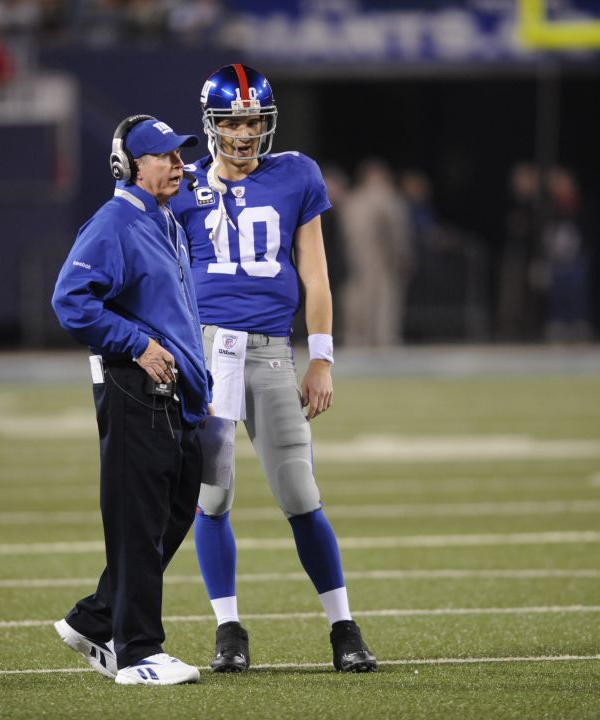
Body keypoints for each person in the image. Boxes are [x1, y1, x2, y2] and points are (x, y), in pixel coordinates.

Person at [170, 64, 378, 673]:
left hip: (268, 350)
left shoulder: (296, 174)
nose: (243, 132)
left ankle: (343, 627)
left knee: (300, 492)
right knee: (212, 497)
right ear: (210, 124)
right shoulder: (179, 185)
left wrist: (321, 356)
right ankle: (228, 629)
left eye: (253, 120)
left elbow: (315, 272)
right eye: (232, 120)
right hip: (206, 352)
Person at [50, 114, 211, 686]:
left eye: (178, 154)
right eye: (164, 155)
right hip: (134, 387)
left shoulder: (163, 219)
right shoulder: (115, 221)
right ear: (130, 165)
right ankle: (139, 652)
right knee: (139, 522)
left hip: (175, 395)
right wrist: (136, 343)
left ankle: (94, 619)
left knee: (172, 511)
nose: (177, 163)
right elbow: (71, 300)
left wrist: (199, 384)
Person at [339, 158, 415, 347]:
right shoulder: (387, 197)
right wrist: (402, 255)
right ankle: (384, 339)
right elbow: (397, 231)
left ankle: (355, 339)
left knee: (355, 299)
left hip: (352, 258)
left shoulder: (353, 199)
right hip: (379, 258)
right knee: (384, 300)